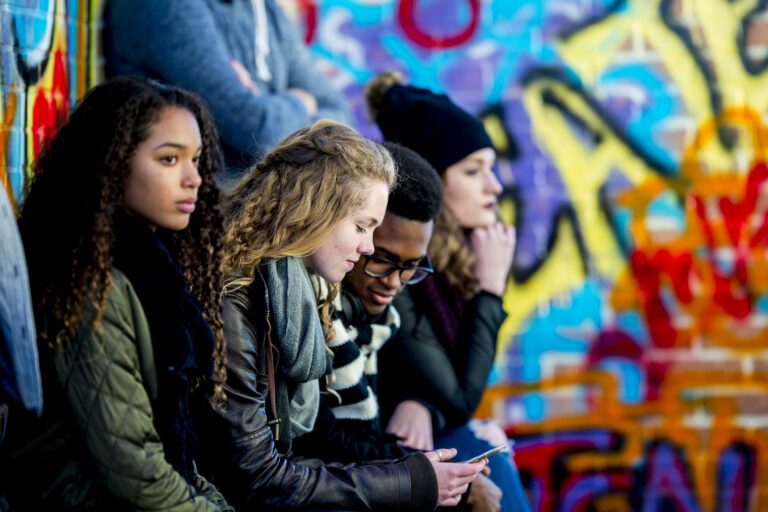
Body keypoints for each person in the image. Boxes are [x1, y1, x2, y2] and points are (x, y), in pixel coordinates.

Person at [195, 119, 486, 510]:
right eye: (362, 227)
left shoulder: (303, 292)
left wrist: (415, 469)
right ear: (315, 210)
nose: (368, 247)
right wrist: (408, 480)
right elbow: (256, 475)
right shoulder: (238, 299)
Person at [0, 76, 232, 510]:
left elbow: (173, 449)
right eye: (168, 160)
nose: (193, 179)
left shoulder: (156, 269)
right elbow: (134, 469)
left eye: (196, 160)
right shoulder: (91, 285)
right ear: (111, 163)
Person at [292, 141, 504, 511]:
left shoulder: (380, 321)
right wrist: (444, 481)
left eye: (411, 267)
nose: (394, 282)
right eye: (383, 260)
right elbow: (326, 445)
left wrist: (422, 405)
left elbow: (442, 400)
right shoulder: (313, 313)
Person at [366, 72, 531, 512]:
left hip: (415, 444)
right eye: (474, 171)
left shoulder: (455, 265)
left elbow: (447, 399)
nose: (494, 187)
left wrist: (425, 405)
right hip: (373, 458)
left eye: (491, 169)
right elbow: (460, 398)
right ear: (433, 180)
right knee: (477, 448)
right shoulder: (396, 267)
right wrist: (491, 291)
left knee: (485, 446)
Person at [104, 0, 353, 174]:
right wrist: (301, 103)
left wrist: (268, 107)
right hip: (200, 227)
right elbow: (258, 131)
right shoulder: (168, 6)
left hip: (257, 225)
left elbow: (341, 119)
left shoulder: (264, 10)